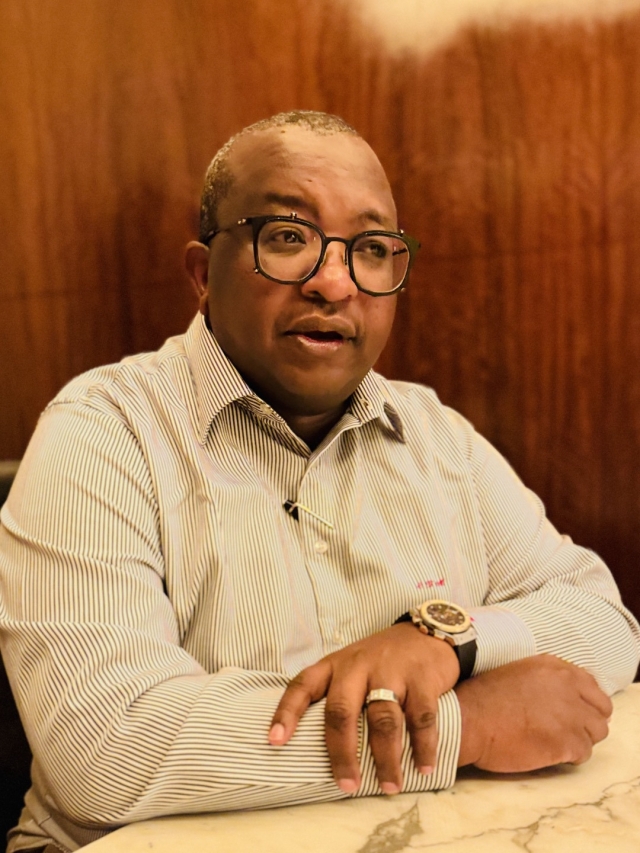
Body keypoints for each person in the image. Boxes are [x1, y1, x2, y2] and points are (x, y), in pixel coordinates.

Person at [0, 110, 638, 853]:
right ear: (204, 274)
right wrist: (469, 723)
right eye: (288, 238)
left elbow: (603, 619)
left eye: (371, 249)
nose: (334, 282)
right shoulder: (103, 432)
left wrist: (446, 643)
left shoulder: (437, 437)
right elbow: (107, 748)